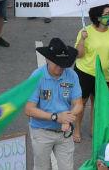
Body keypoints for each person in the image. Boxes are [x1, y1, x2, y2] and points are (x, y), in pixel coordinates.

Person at [25, 38, 83, 170]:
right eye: (57, 63)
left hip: (65, 132)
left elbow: (78, 104)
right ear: (47, 60)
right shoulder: (37, 77)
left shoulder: (72, 75)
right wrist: (56, 117)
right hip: (42, 132)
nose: (60, 67)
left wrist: (68, 117)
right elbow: (29, 110)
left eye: (63, 63)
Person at [74, 4, 109, 143]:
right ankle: (76, 129)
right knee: (82, 103)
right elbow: (79, 55)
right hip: (85, 73)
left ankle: (94, 129)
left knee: (97, 104)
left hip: (103, 75)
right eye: (107, 13)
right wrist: (82, 39)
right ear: (98, 17)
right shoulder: (85, 31)